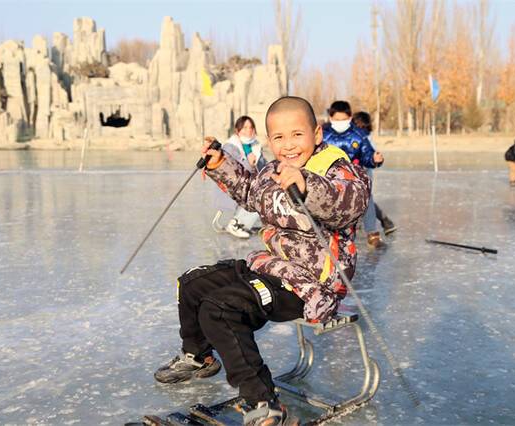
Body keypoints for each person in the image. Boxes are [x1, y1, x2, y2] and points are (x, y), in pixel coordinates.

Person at [154, 96, 371, 425]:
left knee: (220, 308)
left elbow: (349, 203)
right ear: (269, 141)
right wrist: (219, 163)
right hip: (273, 267)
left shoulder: (334, 167)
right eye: (279, 138)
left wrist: (307, 184)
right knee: (193, 282)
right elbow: (248, 190)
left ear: (316, 132)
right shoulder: (273, 170)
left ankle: (265, 404)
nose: (289, 145)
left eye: (297, 135)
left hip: (313, 284)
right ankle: (199, 355)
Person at [322, 100, 386, 248]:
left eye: (343, 120)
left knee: (366, 198)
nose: (340, 123)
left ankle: (372, 233)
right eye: (336, 120)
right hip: (329, 176)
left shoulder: (359, 135)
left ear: (350, 117)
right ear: (330, 118)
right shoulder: (323, 134)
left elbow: (366, 155)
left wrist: (374, 159)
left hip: (353, 175)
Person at [215, 116, 267, 238]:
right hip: (232, 187)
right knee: (259, 197)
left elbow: (263, 167)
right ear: (238, 130)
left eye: (251, 127)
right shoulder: (230, 147)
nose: (248, 130)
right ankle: (237, 223)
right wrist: (249, 163)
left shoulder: (255, 146)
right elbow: (230, 173)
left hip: (250, 185)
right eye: (244, 127)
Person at [352, 111, 397, 237]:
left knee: (365, 200)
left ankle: (379, 225)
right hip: (351, 171)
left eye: (362, 126)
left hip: (364, 171)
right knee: (360, 199)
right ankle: (385, 221)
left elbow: (372, 156)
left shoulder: (366, 138)